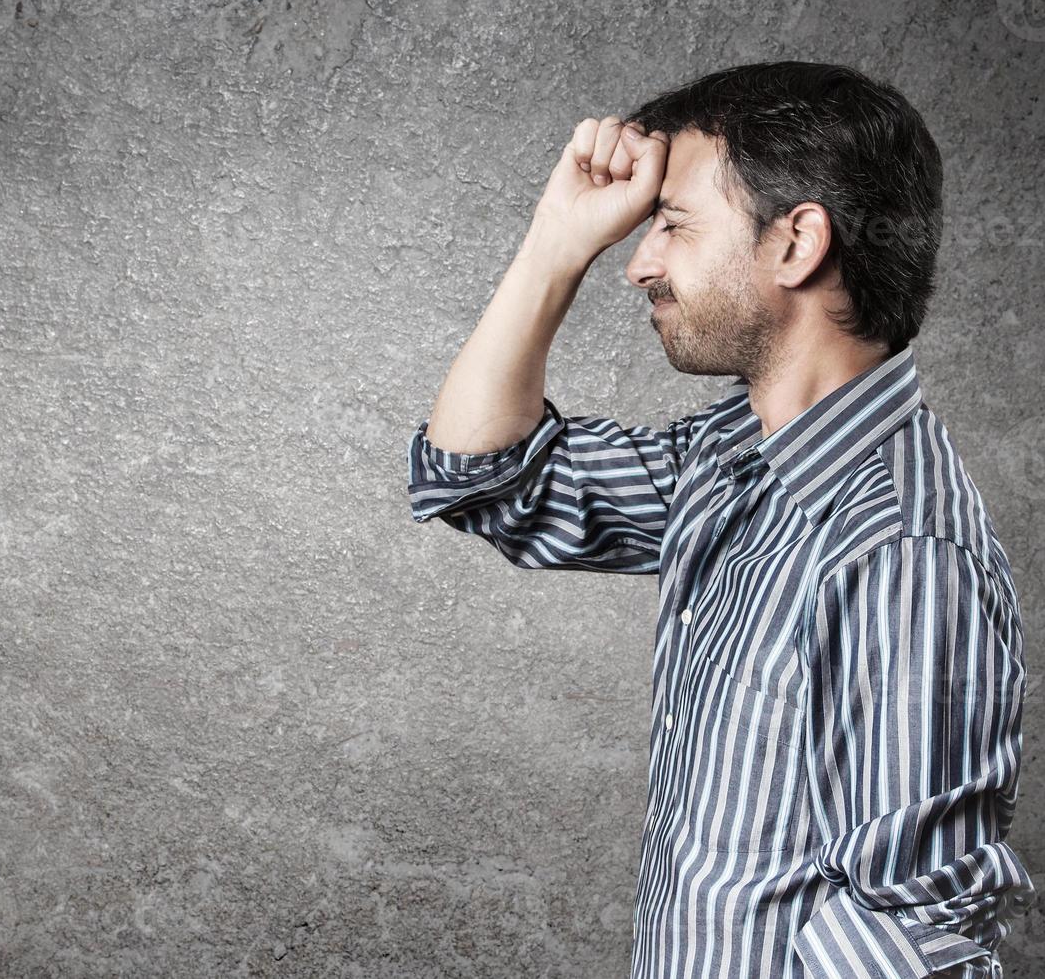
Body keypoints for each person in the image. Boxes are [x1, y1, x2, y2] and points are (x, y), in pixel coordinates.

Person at [405, 61, 1036, 978]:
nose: (640, 262)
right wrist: (553, 246)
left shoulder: (902, 553)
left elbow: (915, 943)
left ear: (796, 244)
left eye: (672, 223)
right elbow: (484, 479)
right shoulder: (730, 456)